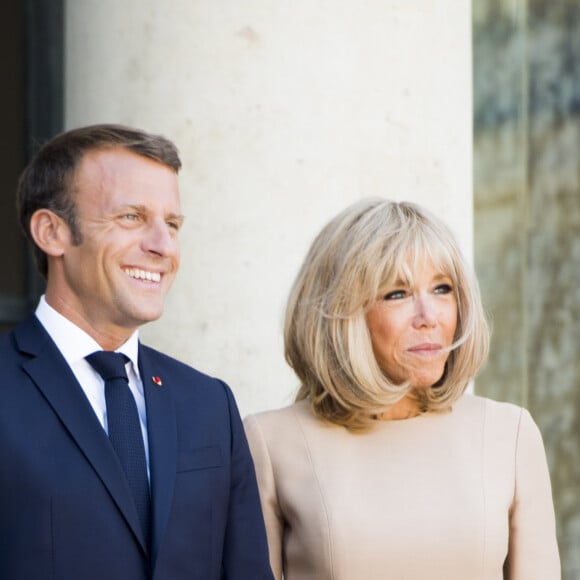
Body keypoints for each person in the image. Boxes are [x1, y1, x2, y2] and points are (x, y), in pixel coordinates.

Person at [0, 124, 273, 580]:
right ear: (52, 232)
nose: (163, 246)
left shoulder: (209, 404)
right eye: (131, 217)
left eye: (172, 224)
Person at [244, 198, 560, 579]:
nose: (429, 317)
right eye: (398, 293)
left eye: (442, 289)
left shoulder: (510, 434)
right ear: (342, 314)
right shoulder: (270, 442)